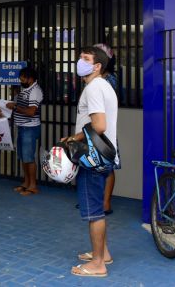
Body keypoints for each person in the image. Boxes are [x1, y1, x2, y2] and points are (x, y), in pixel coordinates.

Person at [60, 46, 119, 279]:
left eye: (86, 59)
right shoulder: (104, 86)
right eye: (80, 58)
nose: (80, 62)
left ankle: (97, 264)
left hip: (92, 159)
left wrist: (73, 138)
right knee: (96, 210)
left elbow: (99, 125)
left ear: (97, 66)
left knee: (94, 212)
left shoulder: (94, 88)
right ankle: (103, 253)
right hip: (105, 156)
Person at [4, 67, 43, 196]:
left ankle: (33, 186)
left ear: (30, 78)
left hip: (30, 128)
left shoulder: (35, 91)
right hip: (22, 127)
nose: (21, 80)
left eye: (23, 78)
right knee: (23, 157)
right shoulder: (25, 90)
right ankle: (26, 183)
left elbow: (31, 112)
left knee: (29, 158)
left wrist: (15, 106)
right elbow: (19, 107)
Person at [94, 43, 119, 215]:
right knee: (95, 166)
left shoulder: (109, 79)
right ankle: (96, 201)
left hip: (105, 130)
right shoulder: (96, 78)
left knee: (107, 167)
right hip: (93, 129)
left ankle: (106, 203)